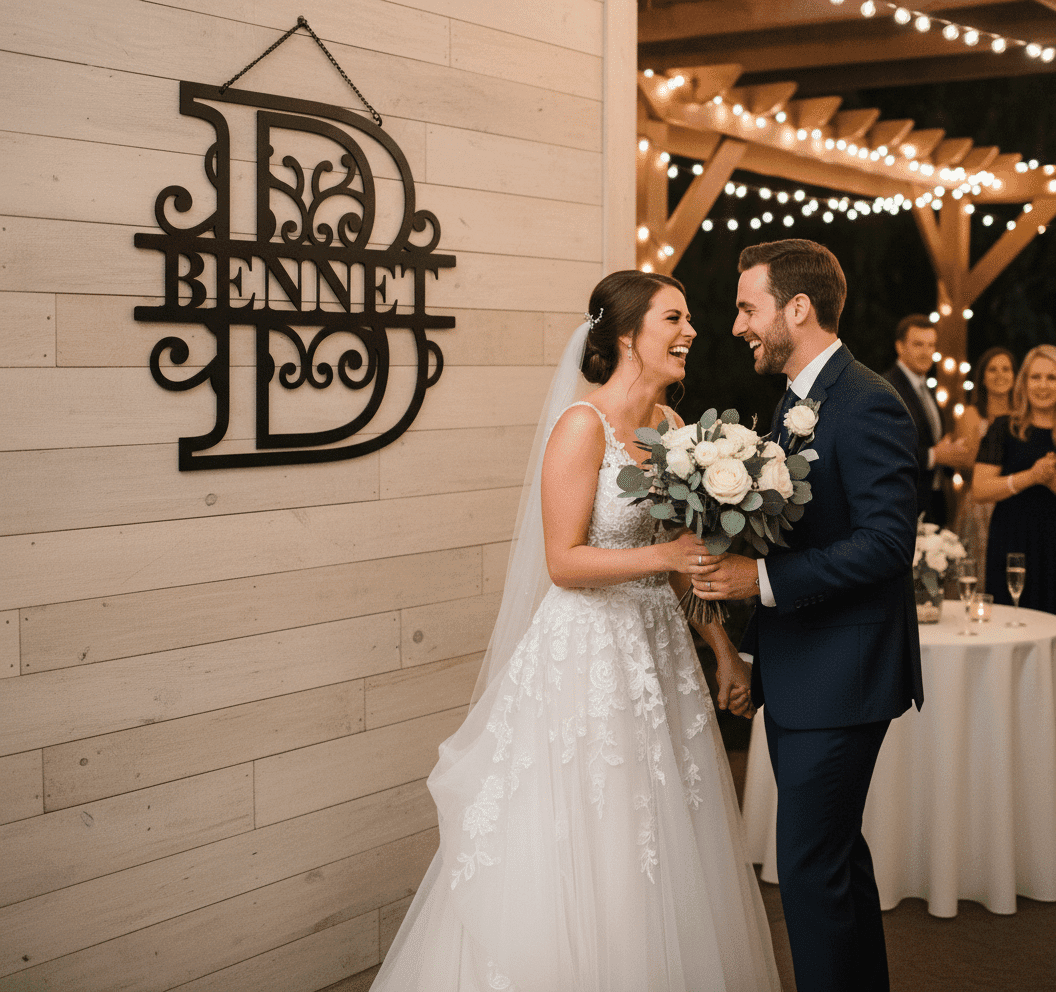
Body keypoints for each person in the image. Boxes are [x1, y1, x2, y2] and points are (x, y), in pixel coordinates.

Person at [370, 271, 782, 991]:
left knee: (663, 824)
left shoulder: (675, 431)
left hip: (661, 652)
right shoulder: (581, 426)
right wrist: (663, 555)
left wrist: (723, 651)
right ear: (628, 335)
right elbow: (564, 561)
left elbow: (686, 569)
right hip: (589, 655)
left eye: (688, 320)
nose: (691, 332)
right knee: (598, 827)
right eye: (674, 320)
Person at [692, 240, 923, 992]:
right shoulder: (793, 402)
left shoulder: (868, 403)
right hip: (802, 673)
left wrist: (756, 578)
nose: (736, 326)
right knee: (835, 865)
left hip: (843, 677)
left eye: (747, 307)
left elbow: (886, 547)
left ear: (799, 308)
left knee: (807, 875)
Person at [970, 343, 1056, 614]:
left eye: (1052, 377)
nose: (1043, 385)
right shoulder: (1004, 428)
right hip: (1013, 542)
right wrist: (1031, 476)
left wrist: (1050, 480)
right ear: (1024, 382)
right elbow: (980, 490)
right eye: (1035, 377)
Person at [882, 314, 973, 526]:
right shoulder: (887, 388)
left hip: (933, 501)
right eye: (918, 345)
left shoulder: (926, 388)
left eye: (931, 345)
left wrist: (951, 454)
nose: (926, 352)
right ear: (900, 346)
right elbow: (886, 450)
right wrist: (935, 455)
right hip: (902, 503)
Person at [953, 347, 1016, 589]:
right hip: (979, 506)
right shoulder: (971, 415)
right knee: (976, 573)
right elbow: (967, 467)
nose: (1000, 375)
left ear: (1014, 375)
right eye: (993, 369)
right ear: (982, 377)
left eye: (1006, 369)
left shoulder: (1022, 416)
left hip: (1014, 499)